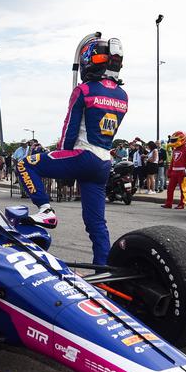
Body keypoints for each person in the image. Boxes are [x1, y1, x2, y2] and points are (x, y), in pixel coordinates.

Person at [16, 35, 127, 265]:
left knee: (24, 164)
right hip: (104, 162)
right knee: (97, 225)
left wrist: (65, 163)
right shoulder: (122, 96)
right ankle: (104, 277)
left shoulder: (83, 90)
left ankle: (45, 209)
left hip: (82, 156)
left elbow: (69, 131)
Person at [162, 131, 186, 209]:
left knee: (182, 189)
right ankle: (168, 203)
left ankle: (182, 204)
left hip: (182, 172)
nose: (172, 142)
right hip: (174, 171)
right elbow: (173, 161)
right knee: (170, 188)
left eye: (174, 140)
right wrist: (170, 171)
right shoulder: (175, 149)